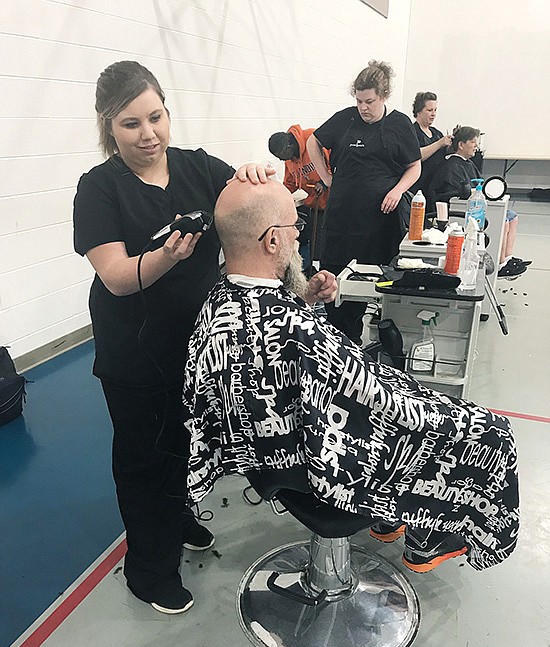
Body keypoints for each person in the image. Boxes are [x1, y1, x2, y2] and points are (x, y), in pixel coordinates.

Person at [182, 178, 520, 574]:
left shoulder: (221, 300)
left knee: (393, 392)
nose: (297, 239)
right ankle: (427, 537)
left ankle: (393, 518)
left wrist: (302, 297)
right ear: (272, 240)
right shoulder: (290, 327)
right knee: (490, 433)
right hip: (318, 467)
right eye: (296, 228)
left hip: (271, 455)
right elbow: (374, 402)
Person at [73, 60, 276, 615]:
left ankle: (181, 518)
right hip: (134, 356)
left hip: (198, 347)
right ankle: (148, 569)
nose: (148, 135)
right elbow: (116, 277)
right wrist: (164, 257)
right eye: (130, 125)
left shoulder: (199, 168)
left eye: (156, 117)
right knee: (145, 459)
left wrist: (257, 178)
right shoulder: (98, 188)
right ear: (107, 128)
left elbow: (250, 207)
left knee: (187, 445)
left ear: (168, 111)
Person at [306, 60, 421, 343]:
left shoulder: (399, 125)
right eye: (358, 101)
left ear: (384, 96)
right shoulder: (345, 119)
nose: (363, 107)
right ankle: (335, 343)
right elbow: (312, 142)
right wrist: (327, 177)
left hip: (377, 223)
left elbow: (414, 167)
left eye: (369, 101)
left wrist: (397, 191)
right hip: (341, 218)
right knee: (334, 283)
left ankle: (357, 343)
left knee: (366, 285)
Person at [429, 126, 530, 278]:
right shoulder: (451, 165)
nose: (476, 146)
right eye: (472, 142)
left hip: (475, 203)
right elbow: (453, 194)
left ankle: (507, 258)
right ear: (461, 145)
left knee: (512, 216)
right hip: (459, 209)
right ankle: (501, 263)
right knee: (504, 220)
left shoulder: (467, 163)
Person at [268, 126, 330, 271]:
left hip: (337, 200)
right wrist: (277, 196)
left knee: (333, 238)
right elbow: (290, 182)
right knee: (317, 240)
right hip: (318, 203)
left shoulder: (314, 139)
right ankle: (316, 268)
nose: (280, 159)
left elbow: (338, 161)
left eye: (280, 155)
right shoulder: (290, 158)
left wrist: (325, 181)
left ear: (288, 147)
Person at [410, 91, 453, 211]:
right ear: (418, 111)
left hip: (436, 188)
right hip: (419, 187)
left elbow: (444, 154)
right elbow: (416, 155)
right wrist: (439, 143)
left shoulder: (436, 133)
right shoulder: (412, 132)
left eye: (435, 110)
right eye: (429, 110)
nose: (433, 114)